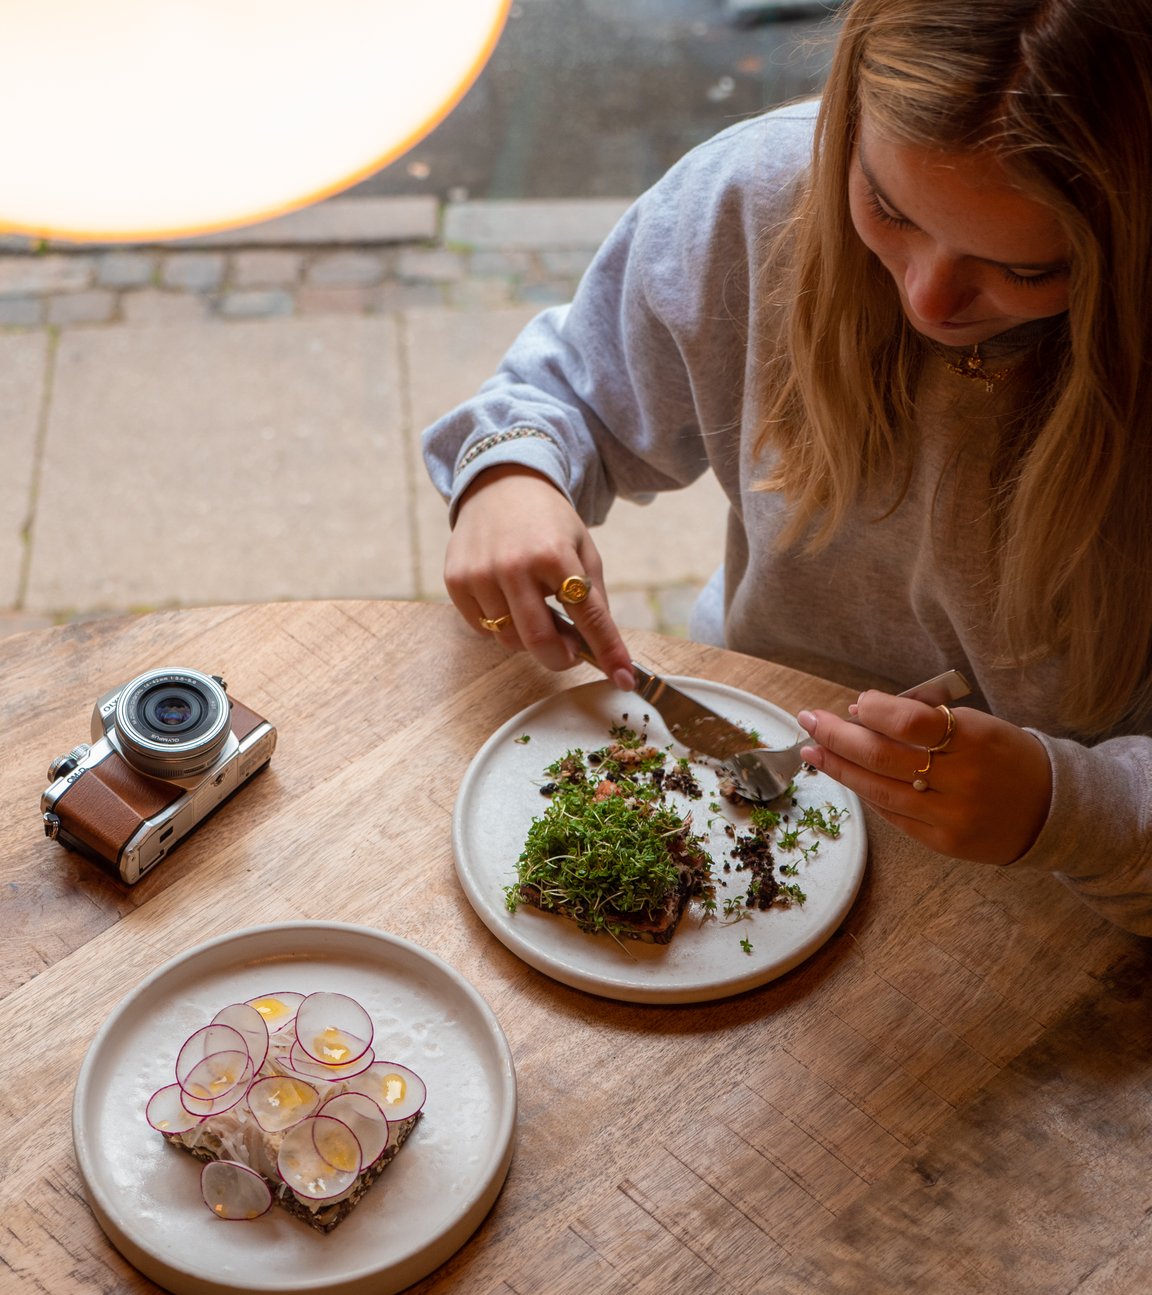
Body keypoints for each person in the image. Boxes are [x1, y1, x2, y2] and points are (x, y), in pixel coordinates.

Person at [423, 0, 1152, 936]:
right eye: (888, 209)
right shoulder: (759, 197)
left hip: (1057, 888)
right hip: (751, 738)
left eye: (1024, 271)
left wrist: (1071, 809)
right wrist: (510, 475)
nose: (928, 297)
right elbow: (566, 392)